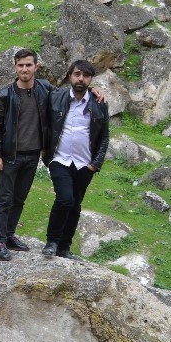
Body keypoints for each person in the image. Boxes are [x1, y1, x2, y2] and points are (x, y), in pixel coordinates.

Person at [0, 50, 105, 261]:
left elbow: (72, 91)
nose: (24, 69)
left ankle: (9, 235)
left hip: (33, 154)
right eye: (20, 65)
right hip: (9, 155)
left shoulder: (45, 89)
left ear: (36, 67)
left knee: (19, 199)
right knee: (4, 199)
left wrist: (93, 90)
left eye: (28, 65)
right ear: (15, 68)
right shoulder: (5, 94)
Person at [42, 60, 110, 260]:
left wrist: (95, 164)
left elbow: (104, 136)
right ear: (70, 76)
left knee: (75, 204)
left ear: (90, 79)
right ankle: (52, 242)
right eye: (77, 74)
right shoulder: (56, 96)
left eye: (86, 75)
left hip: (84, 164)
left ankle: (64, 247)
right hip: (59, 159)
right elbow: (38, 84)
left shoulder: (99, 103)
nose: (81, 78)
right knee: (65, 199)